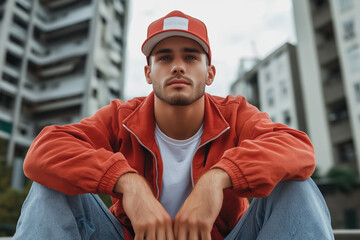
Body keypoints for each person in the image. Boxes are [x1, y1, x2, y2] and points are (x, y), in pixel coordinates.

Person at [14, 10, 334, 240]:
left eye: (191, 57)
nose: (178, 66)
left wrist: (217, 179)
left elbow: (298, 147)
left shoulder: (234, 114)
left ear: (209, 73)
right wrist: (127, 183)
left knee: (297, 187)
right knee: (49, 186)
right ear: (148, 74)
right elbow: (45, 149)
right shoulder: (120, 117)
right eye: (164, 57)